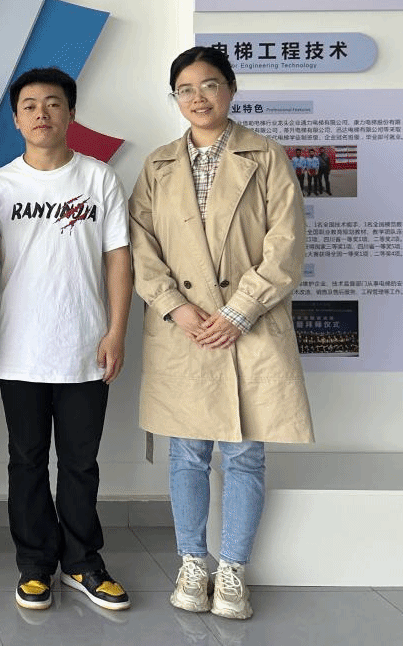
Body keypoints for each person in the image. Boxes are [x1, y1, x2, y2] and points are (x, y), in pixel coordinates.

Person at [128, 46, 313, 622]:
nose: (198, 97)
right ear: (175, 99)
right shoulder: (158, 165)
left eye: (209, 85)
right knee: (187, 454)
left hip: (249, 328)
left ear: (230, 89)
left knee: (244, 453)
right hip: (183, 330)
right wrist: (175, 308)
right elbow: (141, 247)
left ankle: (232, 569)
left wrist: (238, 312)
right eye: (185, 89)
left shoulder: (266, 155)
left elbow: (286, 243)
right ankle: (192, 562)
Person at [0, 67, 133, 614]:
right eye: (30, 105)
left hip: (86, 346)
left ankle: (84, 563)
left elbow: (118, 258)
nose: (42, 113)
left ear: (71, 114)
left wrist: (116, 331)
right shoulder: (0, 183)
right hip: (22, 350)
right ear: (16, 120)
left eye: (54, 103)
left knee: (82, 464)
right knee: (27, 462)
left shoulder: (98, 179)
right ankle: (36, 564)